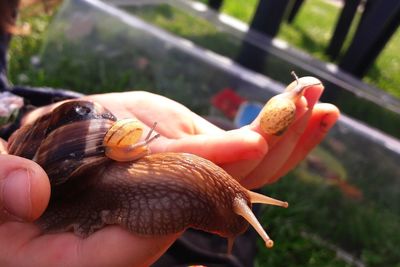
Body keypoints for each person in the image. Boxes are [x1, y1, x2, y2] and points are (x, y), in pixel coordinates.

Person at [0, 1, 340, 266]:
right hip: (51, 173)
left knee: (228, 170)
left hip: (33, 132)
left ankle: (226, 207)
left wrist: (23, 111)